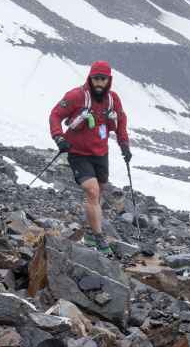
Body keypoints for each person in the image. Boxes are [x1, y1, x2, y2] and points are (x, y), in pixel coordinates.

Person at [48, 61, 130, 254]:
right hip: (78, 153)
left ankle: (91, 235)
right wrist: (59, 137)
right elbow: (55, 115)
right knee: (92, 191)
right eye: (96, 78)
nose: (99, 83)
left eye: (103, 79)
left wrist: (124, 144)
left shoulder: (113, 100)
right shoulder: (76, 96)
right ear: (90, 78)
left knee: (97, 194)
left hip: (101, 153)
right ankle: (100, 238)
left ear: (109, 80)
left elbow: (121, 122)